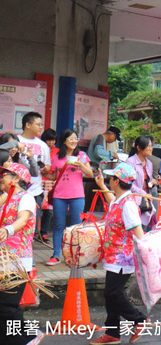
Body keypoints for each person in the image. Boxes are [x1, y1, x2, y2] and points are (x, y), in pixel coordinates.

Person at [90, 164, 147, 345]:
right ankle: (113, 333)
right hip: (114, 255)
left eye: (111, 178)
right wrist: (102, 186)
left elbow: (138, 231)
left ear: (116, 181)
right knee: (110, 294)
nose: (109, 180)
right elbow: (113, 200)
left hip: (123, 257)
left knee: (113, 293)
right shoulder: (119, 199)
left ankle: (139, 319)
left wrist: (146, 254)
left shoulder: (128, 204)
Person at [0, 163, 43, 344]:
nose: (1, 177)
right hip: (3, 259)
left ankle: (28, 337)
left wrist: (8, 230)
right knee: (4, 306)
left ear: (17, 178)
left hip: (17, 261)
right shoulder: (4, 198)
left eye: (5, 174)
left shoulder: (26, 198)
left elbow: (23, 219)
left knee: (7, 305)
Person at [43, 129, 93, 266]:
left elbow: (90, 174)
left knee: (76, 226)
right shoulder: (57, 157)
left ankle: (75, 255)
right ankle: (56, 255)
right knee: (59, 226)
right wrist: (42, 172)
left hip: (77, 196)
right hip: (60, 195)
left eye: (75, 138)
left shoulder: (82, 155)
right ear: (64, 140)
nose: (73, 141)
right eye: (70, 138)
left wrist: (80, 164)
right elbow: (54, 176)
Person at [17, 112, 50, 252]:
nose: (40, 127)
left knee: (31, 225)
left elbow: (48, 167)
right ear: (28, 125)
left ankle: (28, 253)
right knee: (14, 221)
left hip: (36, 191)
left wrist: (43, 167)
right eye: (38, 124)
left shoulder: (43, 145)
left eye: (41, 124)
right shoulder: (15, 140)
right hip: (16, 191)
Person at [125, 136, 157, 231]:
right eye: (148, 146)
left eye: (151, 146)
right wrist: (143, 194)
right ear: (139, 148)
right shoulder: (130, 162)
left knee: (146, 227)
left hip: (147, 200)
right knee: (136, 227)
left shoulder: (149, 163)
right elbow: (128, 184)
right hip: (135, 200)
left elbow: (147, 179)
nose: (151, 149)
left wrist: (152, 182)